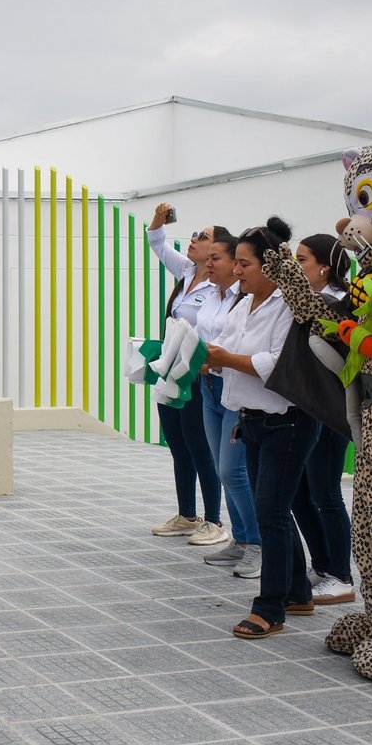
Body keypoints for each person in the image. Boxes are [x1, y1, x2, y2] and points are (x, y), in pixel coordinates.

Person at [205, 218, 320, 640]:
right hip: (251, 420)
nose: (237, 270)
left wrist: (223, 359)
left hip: (286, 422)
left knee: (269, 512)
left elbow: (275, 363)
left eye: (245, 263)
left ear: (271, 266)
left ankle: (269, 607)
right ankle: (297, 592)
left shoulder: (291, 307)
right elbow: (227, 350)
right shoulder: (243, 303)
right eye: (235, 262)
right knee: (273, 510)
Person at [145, 203, 226, 547]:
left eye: (202, 237)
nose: (193, 240)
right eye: (193, 235)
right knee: (178, 445)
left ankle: (214, 521)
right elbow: (158, 243)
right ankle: (186, 515)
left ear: (218, 250)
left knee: (199, 446)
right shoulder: (187, 273)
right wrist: (159, 219)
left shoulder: (222, 286)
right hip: (170, 370)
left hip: (197, 374)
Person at [291, 233, 356, 606]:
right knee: (301, 493)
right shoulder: (312, 301)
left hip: (331, 409)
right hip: (307, 407)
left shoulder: (335, 304)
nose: (297, 268)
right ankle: (324, 564)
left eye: (302, 261)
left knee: (326, 493)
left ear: (324, 267)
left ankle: (342, 576)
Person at [193, 228, 260, 574]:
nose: (208, 263)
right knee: (223, 469)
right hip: (208, 385)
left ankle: (258, 544)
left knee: (234, 471)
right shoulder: (212, 294)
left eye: (215, 257)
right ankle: (242, 539)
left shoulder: (244, 297)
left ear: (236, 261)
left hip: (232, 387)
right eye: (208, 258)